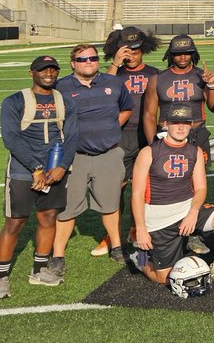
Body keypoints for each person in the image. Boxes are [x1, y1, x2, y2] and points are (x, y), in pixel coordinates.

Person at [0, 55, 79, 299]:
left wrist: (62, 166)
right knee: (15, 222)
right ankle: (1, 278)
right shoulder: (14, 101)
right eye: (43, 69)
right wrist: (36, 167)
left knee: (48, 217)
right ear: (32, 72)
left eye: (53, 69)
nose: (48, 73)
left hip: (54, 172)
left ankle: (39, 270)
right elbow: (11, 138)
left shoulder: (65, 102)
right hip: (23, 172)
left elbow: (71, 138)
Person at [130, 102, 214, 288]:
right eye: (175, 122)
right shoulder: (149, 152)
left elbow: (200, 189)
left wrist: (192, 213)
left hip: (187, 211)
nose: (181, 127)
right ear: (165, 124)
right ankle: (139, 259)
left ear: (191, 124)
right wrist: (141, 229)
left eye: (185, 122)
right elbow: (136, 195)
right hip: (160, 221)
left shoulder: (195, 151)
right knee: (165, 279)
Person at [51, 44, 134, 271]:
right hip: (75, 156)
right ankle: (58, 255)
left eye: (92, 58)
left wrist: (111, 127)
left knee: (111, 205)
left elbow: (127, 107)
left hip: (108, 154)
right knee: (67, 208)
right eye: (82, 59)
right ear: (73, 63)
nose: (88, 62)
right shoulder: (61, 87)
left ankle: (116, 247)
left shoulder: (114, 82)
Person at [142, 34, 214, 254]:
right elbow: (149, 115)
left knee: (196, 185)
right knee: (168, 183)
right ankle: (162, 228)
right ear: (171, 54)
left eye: (187, 52)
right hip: (167, 135)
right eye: (178, 52)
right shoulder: (158, 78)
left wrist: (212, 83)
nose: (182, 56)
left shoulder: (201, 75)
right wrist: (153, 145)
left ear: (193, 53)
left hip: (197, 133)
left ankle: (193, 232)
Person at [102, 26, 160, 255]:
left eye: (135, 51)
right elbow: (101, 90)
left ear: (142, 50)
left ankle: (139, 229)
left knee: (147, 188)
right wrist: (115, 64)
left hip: (146, 134)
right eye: (126, 51)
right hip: (120, 136)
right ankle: (112, 234)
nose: (131, 56)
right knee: (117, 188)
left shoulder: (154, 73)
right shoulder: (113, 73)